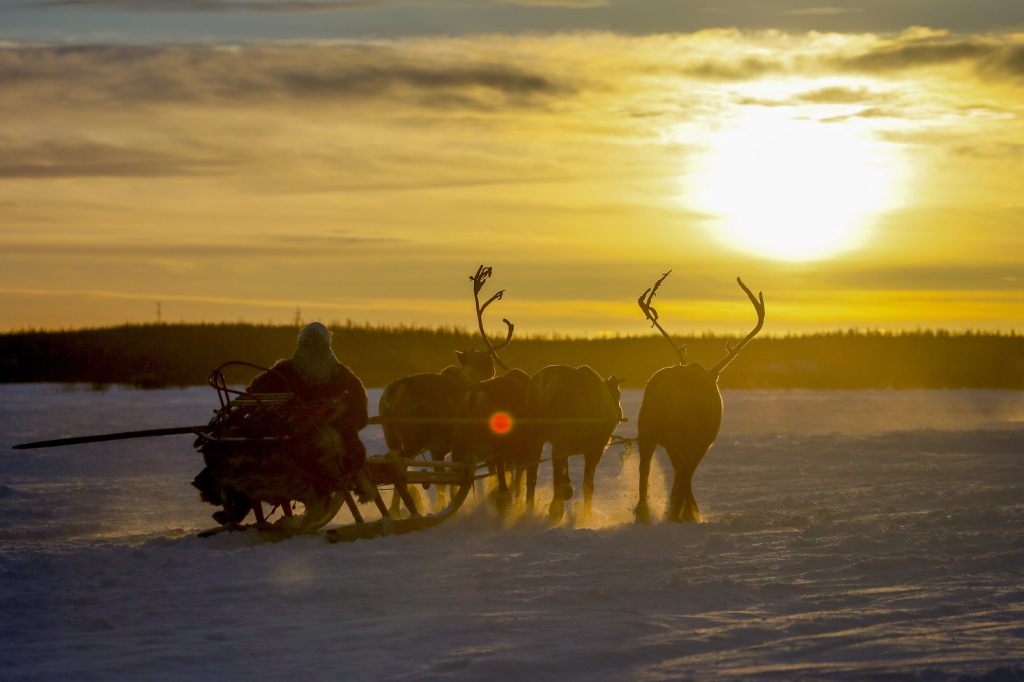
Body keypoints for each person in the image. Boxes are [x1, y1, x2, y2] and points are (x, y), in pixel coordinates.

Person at [248, 322, 369, 468]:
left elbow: (254, 394)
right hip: (328, 446)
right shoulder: (344, 376)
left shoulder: (282, 371)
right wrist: (342, 426)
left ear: (300, 343)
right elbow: (360, 415)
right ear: (328, 344)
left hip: (282, 439)